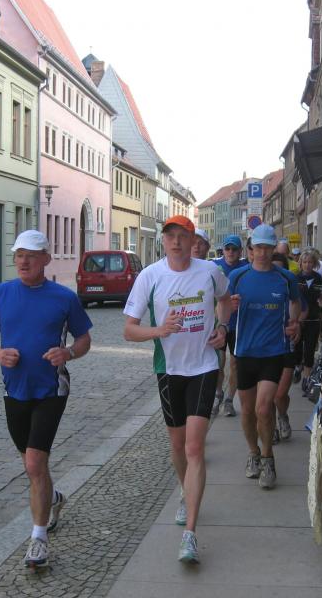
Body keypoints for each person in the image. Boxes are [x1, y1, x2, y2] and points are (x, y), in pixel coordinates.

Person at [0, 230, 92, 569]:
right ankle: (52, 498)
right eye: (19, 255)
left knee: (33, 463)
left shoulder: (63, 297)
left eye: (30, 255)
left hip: (51, 389)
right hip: (14, 389)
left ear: (46, 259)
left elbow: (84, 339)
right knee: (33, 465)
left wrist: (68, 352)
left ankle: (38, 539)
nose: (23, 261)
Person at [123, 215, 231, 564]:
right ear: (164, 240)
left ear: (193, 240)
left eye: (182, 236)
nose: (176, 242)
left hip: (204, 366)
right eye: (170, 236)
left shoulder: (210, 271)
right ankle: (186, 492)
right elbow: (129, 330)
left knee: (194, 447)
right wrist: (159, 330)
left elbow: (226, 299)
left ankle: (190, 534)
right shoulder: (150, 276)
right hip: (168, 369)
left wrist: (223, 328)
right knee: (178, 445)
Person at [228, 224, 301, 490]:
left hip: (273, 351)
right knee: (247, 411)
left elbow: (295, 303)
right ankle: (253, 453)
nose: (262, 253)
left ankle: (269, 458)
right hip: (245, 352)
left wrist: (294, 323)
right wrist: (228, 308)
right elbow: (221, 309)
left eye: (267, 248)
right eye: (258, 247)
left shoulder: (286, 278)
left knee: (263, 408)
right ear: (250, 249)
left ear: (273, 249)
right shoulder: (237, 276)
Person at [210, 235, 248, 417]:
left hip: (238, 325)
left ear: (240, 251)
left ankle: (229, 400)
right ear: (223, 250)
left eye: (234, 249)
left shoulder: (246, 267)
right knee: (218, 363)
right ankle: (218, 393)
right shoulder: (214, 267)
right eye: (227, 249)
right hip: (219, 324)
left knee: (235, 364)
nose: (230, 252)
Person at [270, 253, 306, 444]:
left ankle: (282, 416)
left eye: (280, 268)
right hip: (265, 347)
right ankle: (271, 427)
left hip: (286, 346)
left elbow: (304, 308)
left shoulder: (290, 286)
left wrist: (296, 323)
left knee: (279, 395)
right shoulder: (261, 287)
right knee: (267, 396)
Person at [293, 251, 322, 395]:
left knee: (310, 350)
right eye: (305, 262)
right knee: (297, 348)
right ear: (300, 263)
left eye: (310, 262)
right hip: (298, 319)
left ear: (314, 264)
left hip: (313, 319)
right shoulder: (295, 278)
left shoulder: (319, 279)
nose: (307, 265)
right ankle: (297, 367)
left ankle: (306, 380)